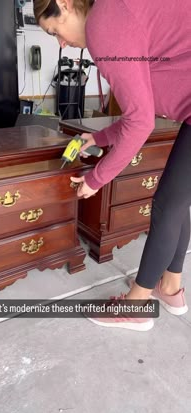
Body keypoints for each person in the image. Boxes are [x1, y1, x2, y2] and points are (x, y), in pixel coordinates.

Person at [34, 0, 191, 331]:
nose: (61, 43)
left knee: (167, 205)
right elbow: (141, 110)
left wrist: (96, 178)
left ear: (64, 4)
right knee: (177, 202)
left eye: (54, 31)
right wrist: (100, 138)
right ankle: (170, 289)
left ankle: (136, 308)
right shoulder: (116, 13)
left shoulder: (104, 23)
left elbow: (140, 122)